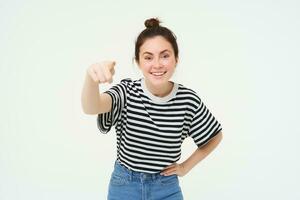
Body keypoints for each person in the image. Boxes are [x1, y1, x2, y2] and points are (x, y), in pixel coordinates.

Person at [81, 17, 223, 200]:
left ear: (176, 59)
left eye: (165, 55)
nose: (157, 64)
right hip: (125, 184)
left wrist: (185, 167)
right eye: (148, 57)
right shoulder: (127, 92)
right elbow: (92, 107)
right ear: (139, 62)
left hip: (166, 186)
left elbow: (214, 136)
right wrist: (91, 78)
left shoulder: (188, 100)